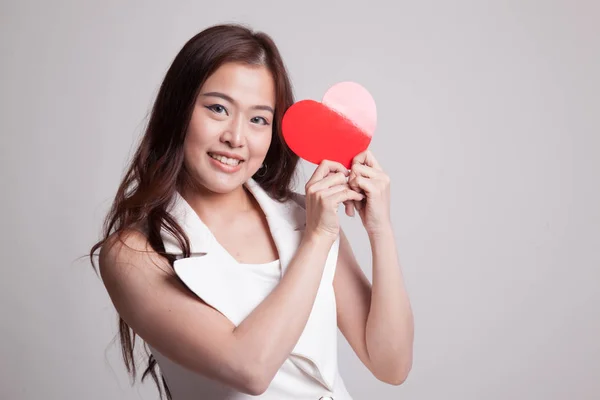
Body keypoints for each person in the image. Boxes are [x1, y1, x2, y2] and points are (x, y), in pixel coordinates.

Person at [89, 23, 414, 400]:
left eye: (258, 119)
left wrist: (381, 231)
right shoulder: (133, 254)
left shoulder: (301, 216)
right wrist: (318, 239)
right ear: (178, 111)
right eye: (217, 109)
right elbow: (250, 368)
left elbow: (391, 365)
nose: (236, 137)